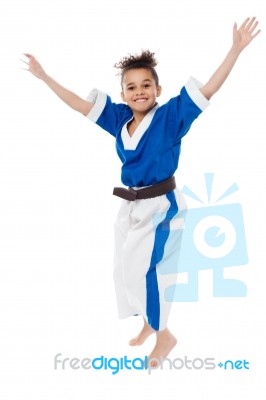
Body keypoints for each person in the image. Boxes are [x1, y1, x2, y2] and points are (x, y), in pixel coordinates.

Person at [22, 17, 260, 364]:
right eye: (131, 87)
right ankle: (150, 322)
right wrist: (44, 77)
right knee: (122, 269)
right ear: (123, 94)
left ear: (158, 90)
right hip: (132, 205)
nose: (139, 92)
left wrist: (235, 50)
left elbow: (209, 89)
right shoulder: (119, 120)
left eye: (146, 85)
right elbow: (77, 104)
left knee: (146, 270)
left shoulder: (171, 117)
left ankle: (165, 335)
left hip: (162, 205)